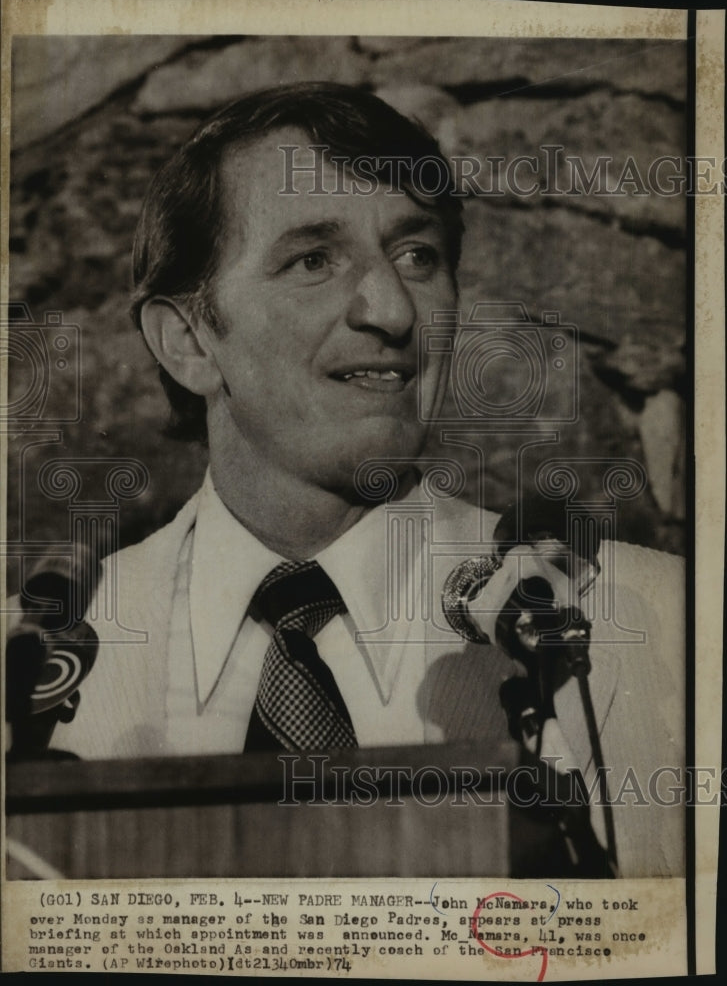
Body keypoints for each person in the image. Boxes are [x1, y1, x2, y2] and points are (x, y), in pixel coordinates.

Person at [13, 83, 684, 877]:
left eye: (417, 256)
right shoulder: (28, 668)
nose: (392, 311)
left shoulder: (659, 626)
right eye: (312, 260)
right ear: (189, 341)